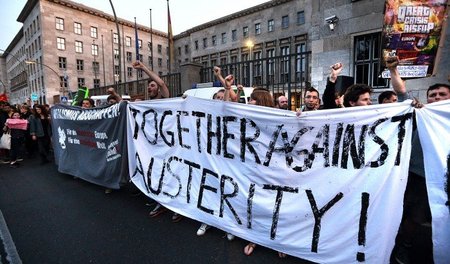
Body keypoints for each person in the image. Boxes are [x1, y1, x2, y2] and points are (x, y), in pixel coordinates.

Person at [393, 82, 450, 264]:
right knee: (414, 217)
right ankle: (404, 246)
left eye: (442, 94)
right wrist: (393, 69)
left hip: (445, 176)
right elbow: (401, 94)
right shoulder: (420, 114)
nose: (437, 98)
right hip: (420, 176)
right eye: (433, 95)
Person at [132, 60, 180, 222]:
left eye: (152, 85)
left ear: (158, 88)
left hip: (170, 147)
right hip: (154, 147)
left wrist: (143, 68)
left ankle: (177, 207)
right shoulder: (146, 105)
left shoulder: (166, 99)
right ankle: (161, 202)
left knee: (172, 175)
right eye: (148, 86)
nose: (149, 88)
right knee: (158, 174)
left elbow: (161, 82)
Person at [243, 88, 286, 258]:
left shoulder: (278, 117)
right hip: (254, 168)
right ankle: (254, 238)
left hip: (275, 170)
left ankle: (277, 241)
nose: (249, 102)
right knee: (255, 203)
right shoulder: (246, 117)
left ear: (259, 101)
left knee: (275, 205)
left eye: (252, 100)